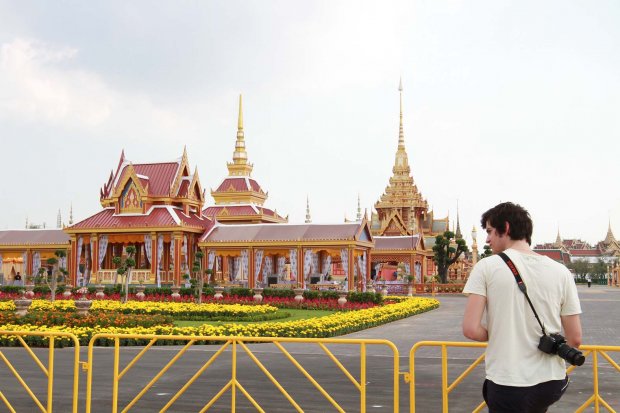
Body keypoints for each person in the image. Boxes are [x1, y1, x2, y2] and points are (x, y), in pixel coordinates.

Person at [462, 202, 582, 413]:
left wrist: (503, 332)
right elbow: (575, 339)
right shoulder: (561, 271)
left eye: (490, 231)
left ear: (505, 228)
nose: (487, 239)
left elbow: (471, 329)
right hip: (551, 382)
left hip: (509, 383)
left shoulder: (486, 267)